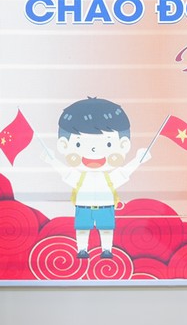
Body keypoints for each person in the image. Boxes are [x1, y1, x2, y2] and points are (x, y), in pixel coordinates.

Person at [43, 97, 151, 258]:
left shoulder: (107, 177)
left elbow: (124, 172)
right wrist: (51, 160)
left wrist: (138, 160)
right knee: (82, 229)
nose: (93, 150)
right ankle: (82, 250)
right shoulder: (80, 177)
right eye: (79, 144)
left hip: (105, 205)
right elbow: (65, 172)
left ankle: (107, 250)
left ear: (124, 145)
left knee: (106, 229)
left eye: (108, 144)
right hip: (83, 205)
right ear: (64, 145)